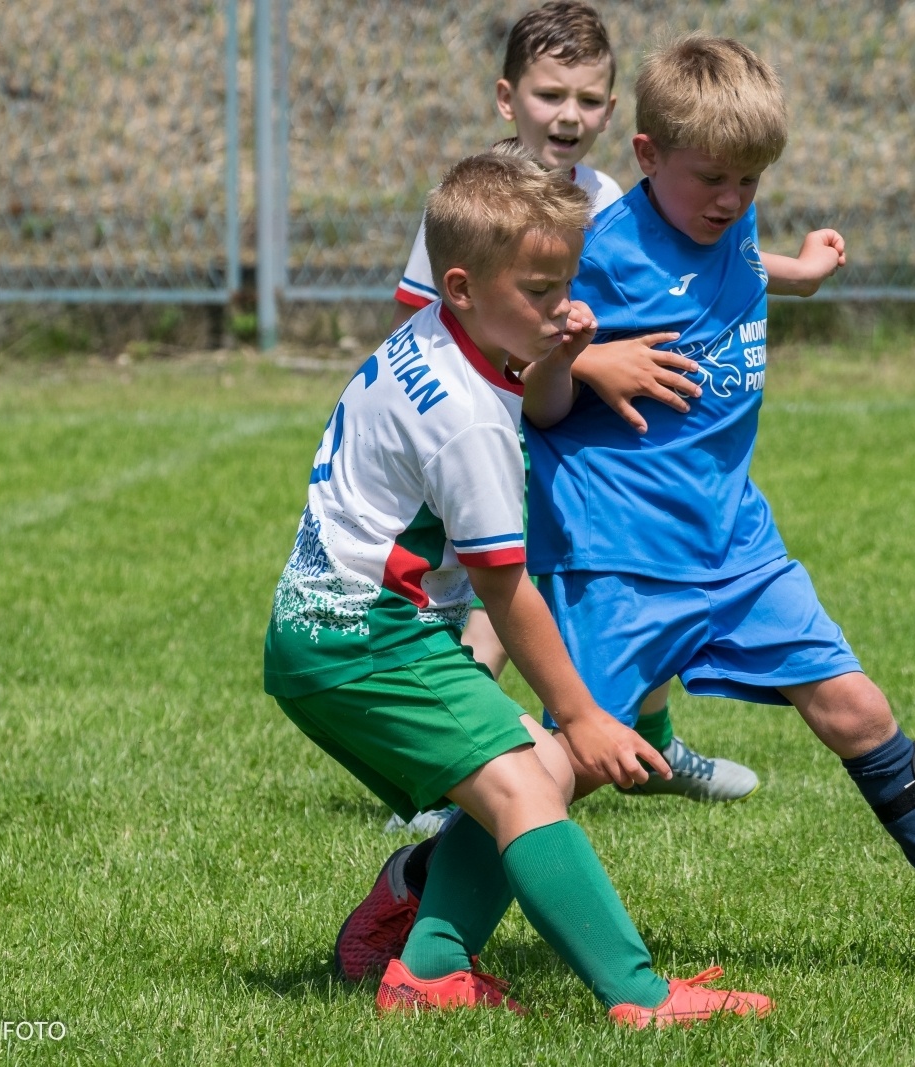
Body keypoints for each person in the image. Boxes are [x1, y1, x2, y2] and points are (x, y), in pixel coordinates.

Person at [515, 35, 915, 974]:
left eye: (751, 178)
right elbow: (525, 383)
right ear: (647, 158)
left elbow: (721, 255)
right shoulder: (592, 256)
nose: (732, 199)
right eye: (714, 180)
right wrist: (579, 357)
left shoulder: (725, 216)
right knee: (565, 767)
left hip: (735, 543)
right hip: (619, 552)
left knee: (858, 708)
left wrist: (800, 271)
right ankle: (412, 900)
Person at [265, 149, 770, 1025]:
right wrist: (582, 712)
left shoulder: (436, 335)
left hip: (338, 628)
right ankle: (640, 996)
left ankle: (428, 968)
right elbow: (508, 590)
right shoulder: (464, 420)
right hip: (364, 640)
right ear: (461, 285)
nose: (565, 306)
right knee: (533, 782)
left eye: (566, 283)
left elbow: (515, 396)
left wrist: (555, 348)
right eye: (540, 291)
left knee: (532, 769)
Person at [383, 3, 761, 834]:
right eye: (552, 94)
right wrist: (588, 363)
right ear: (506, 98)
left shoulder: (609, 198)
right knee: (489, 605)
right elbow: (438, 329)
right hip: (482, 438)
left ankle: (650, 742)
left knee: (628, 579)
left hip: (567, 439)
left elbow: (619, 309)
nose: (570, 116)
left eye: (590, 100)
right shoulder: (473, 203)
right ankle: (464, 778)